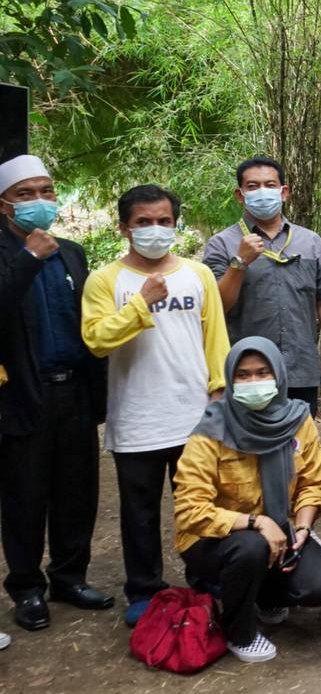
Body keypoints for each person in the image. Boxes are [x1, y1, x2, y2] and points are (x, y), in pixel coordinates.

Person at [81, 184, 231, 625]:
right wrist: (141, 305)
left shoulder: (198, 274)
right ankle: (144, 589)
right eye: (143, 222)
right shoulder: (106, 280)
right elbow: (96, 340)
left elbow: (215, 338)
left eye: (163, 221)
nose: (154, 230)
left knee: (201, 504)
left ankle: (206, 580)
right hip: (137, 416)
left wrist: (219, 391)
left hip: (194, 414)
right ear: (124, 227)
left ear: (175, 223)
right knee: (140, 512)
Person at [173, 337, 321, 663]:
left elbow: (311, 485)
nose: (253, 382)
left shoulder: (297, 419)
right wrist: (255, 522)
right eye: (244, 375)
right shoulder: (210, 430)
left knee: (320, 586)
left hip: (278, 533)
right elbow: (190, 510)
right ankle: (240, 632)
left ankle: (260, 594)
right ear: (231, 380)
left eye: (262, 373)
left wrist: (303, 529)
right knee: (251, 546)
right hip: (213, 540)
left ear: (278, 375)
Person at [0, 155, 112, 632]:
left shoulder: (72, 251)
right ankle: (26, 588)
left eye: (46, 191)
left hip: (74, 391)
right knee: (24, 494)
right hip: (23, 393)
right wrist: (28, 258)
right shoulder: (9, 254)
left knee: (77, 490)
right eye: (26, 194)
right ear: (4, 205)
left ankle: (69, 576)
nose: (40, 202)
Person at [203, 157, 321, 417]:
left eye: (269, 185)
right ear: (240, 194)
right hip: (246, 374)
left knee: (299, 449)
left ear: (284, 192)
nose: (262, 191)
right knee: (246, 452)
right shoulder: (221, 244)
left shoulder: (310, 241)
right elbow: (217, 306)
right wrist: (239, 262)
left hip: (300, 371)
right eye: (253, 186)